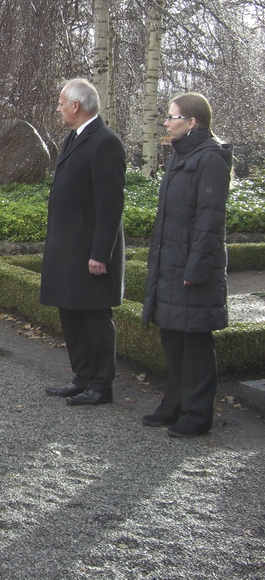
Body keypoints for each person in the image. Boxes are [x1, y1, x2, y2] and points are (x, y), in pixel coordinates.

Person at [142, 93, 231, 438]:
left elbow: (210, 221)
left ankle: (197, 415)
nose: (166, 122)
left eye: (172, 116)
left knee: (194, 343)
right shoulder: (182, 155)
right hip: (172, 263)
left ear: (192, 122)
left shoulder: (210, 158)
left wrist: (196, 269)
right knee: (173, 337)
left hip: (192, 267)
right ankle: (175, 404)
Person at [40, 78, 126, 406]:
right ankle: (82, 377)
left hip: (89, 249)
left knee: (94, 318)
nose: (58, 108)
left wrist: (101, 253)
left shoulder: (105, 142)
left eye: (62, 103)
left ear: (76, 106)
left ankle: (101, 385)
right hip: (68, 248)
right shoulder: (75, 137)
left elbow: (110, 204)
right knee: (72, 313)